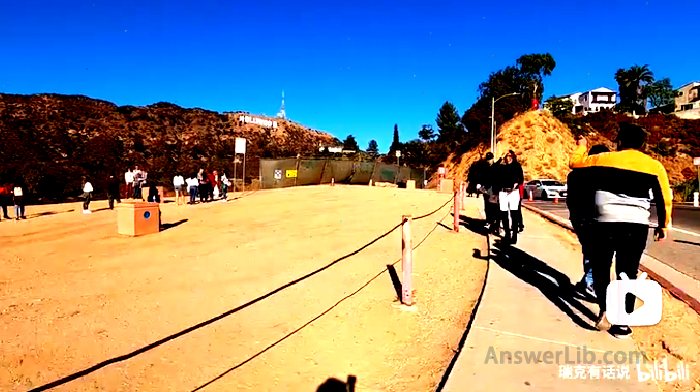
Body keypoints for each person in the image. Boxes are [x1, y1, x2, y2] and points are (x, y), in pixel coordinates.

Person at [570, 123, 672, 338]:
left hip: (604, 223)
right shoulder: (654, 166)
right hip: (635, 226)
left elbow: (575, 163)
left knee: (600, 267)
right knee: (628, 271)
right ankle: (622, 324)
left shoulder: (604, 158)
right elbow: (664, 198)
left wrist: (582, 145)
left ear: (620, 141)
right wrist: (663, 225)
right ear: (643, 144)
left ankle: (605, 308)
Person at [567, 144, 610, 301]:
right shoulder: (600, 175)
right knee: (602, 254)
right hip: (594, 218)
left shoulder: (574, 175)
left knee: (590, 252)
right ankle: (589, 282)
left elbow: (570, 199)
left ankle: (587, 281)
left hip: (578, 218)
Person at [496, 150, 524, 244]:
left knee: (514, 213)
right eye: (506, 156)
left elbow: (521, 178)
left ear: (513, 157)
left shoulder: (517, 166)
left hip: (513, 192)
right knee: (503, 214)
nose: (508, 158)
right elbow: (496, 177)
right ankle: (507, 234)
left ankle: (514, 236)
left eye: (509, 156)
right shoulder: (502, 167)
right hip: (503, 192)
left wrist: (515, 184)